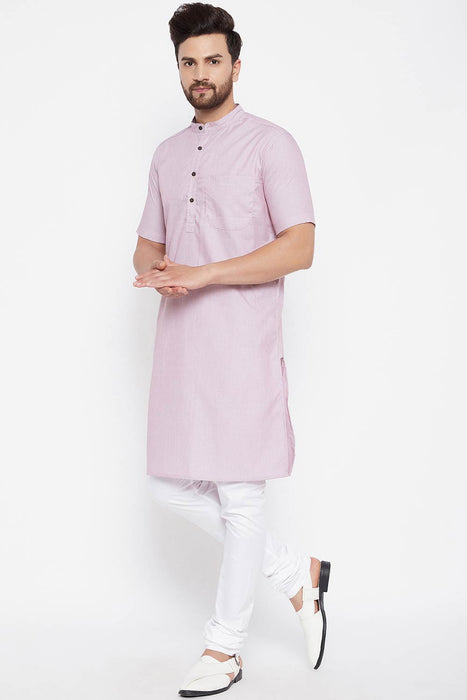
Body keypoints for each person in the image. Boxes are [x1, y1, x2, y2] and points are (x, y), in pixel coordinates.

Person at [132, 3, 331, 695]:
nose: (201, 73)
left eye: (212, 60)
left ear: (236, 66)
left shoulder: (272, 144)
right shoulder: (166, 154)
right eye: (189, 62)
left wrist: (205, 273)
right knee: (167, 486)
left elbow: (299, 248)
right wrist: (157, 269)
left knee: (241, 496)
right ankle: (296, 575)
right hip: (181, 345)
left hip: (243, 342)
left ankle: (225, 649)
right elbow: (147, 243)